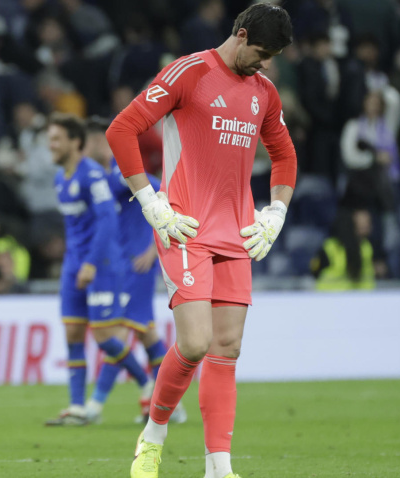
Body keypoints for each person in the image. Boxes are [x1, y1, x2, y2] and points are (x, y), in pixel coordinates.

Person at [106, 5, 297, 478]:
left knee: (226, 349)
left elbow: (284, 154)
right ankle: (153, 436)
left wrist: (276, 211)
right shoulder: (189, 72)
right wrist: (150, 201)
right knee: (194, 343)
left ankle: (218, 467)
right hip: (184, 225)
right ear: (242, 34)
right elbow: (121, 129)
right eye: (262, 52)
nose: (266, 64)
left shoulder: (264, 93)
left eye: (273, 57)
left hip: (237, 232)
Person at [44, 113, 151, 426]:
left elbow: (107, 220)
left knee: (104, 336)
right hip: (73, 264)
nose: (51, 145)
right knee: (73, 332)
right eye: (50, 139)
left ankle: (147, 383)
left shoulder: (92, 176)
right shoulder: (59, 178)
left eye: (56, 139)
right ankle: (77, 407)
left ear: (75, 142)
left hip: (102, 263)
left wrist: (91, 262)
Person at [83, 117, 181, 424]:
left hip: (136, 266)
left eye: (90, 141)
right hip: (117, 266)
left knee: (118, 333)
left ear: (103, 142)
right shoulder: (98, 179)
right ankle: (171, 406)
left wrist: (153, 250)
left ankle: (95, 406)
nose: (86, 149)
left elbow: (169, 199)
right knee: (147, 334)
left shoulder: (126, 175)